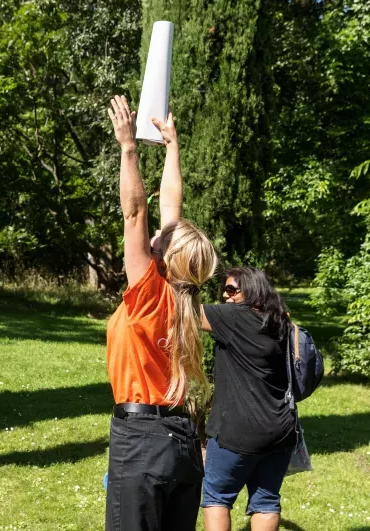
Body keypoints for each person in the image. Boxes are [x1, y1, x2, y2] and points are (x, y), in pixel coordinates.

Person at [104, 95, 218, 531]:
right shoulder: (185, 296)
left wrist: (129, 147)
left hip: (143, 441)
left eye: (160, 241)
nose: (153, 237)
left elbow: (135, 213)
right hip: (183, 443)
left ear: (166, 258)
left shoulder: (150, 292)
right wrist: (172, 146)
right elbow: (170, 207)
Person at [199, 268, 297, 531]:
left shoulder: (235, 318)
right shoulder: (281, 321)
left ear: (251, 290)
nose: (225, 295)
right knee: (266, 501)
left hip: (236, 430)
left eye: (232, 290)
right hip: (281, 429)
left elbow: (183, 312)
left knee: (217, 497)